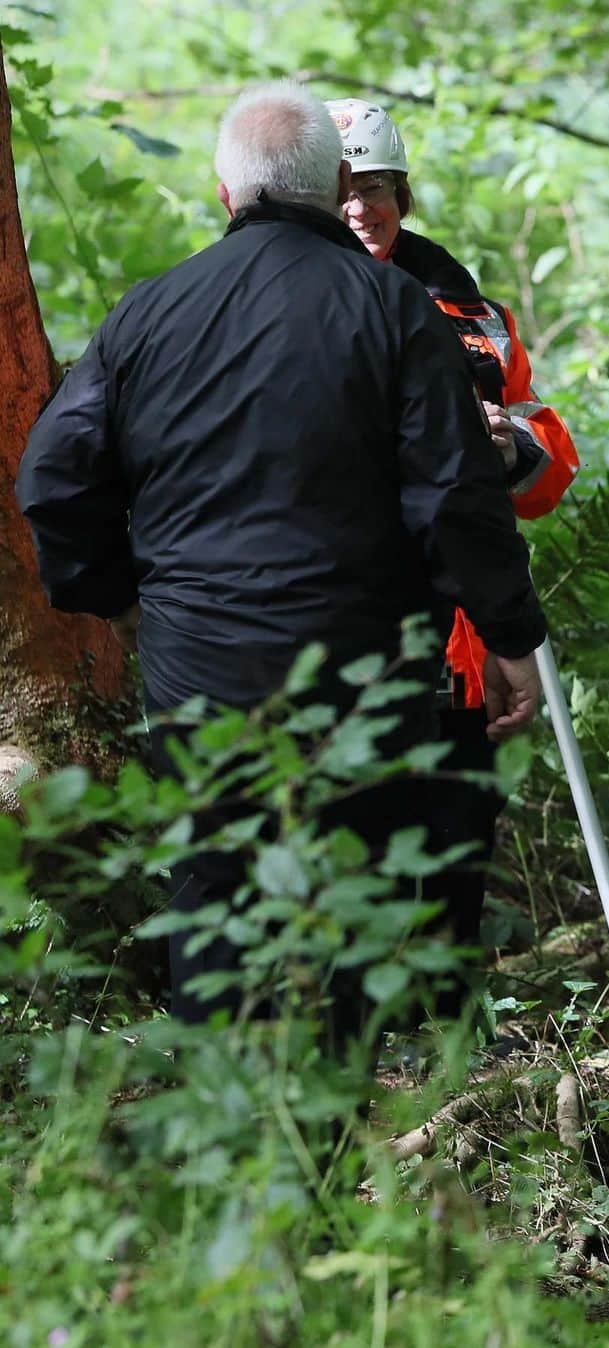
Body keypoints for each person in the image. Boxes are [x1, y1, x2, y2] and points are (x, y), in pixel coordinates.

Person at [16, 82, 546, 1039]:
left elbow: (54, 475)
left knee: (217, 881)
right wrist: (510, 635)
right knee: (345, 883)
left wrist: (118, 596)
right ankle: (327, 1143)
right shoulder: (394, 308)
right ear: (335, 180)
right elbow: (455, 495)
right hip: (359, 656)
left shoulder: (149, 315)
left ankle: (223, 1124)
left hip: (200, 661)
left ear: (226, 194)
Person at [325, 97, 579, 969]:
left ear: (405, 192)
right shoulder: (298, 298)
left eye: (381, 186)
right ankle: (359, 1039)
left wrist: (511, 448)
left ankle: (451, 1040)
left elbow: (550, 464)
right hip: (344, 621)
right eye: (347, 187)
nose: (364, 206)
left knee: (461, 834)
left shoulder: (472, 312)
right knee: (357, 834)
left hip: (463, 633)